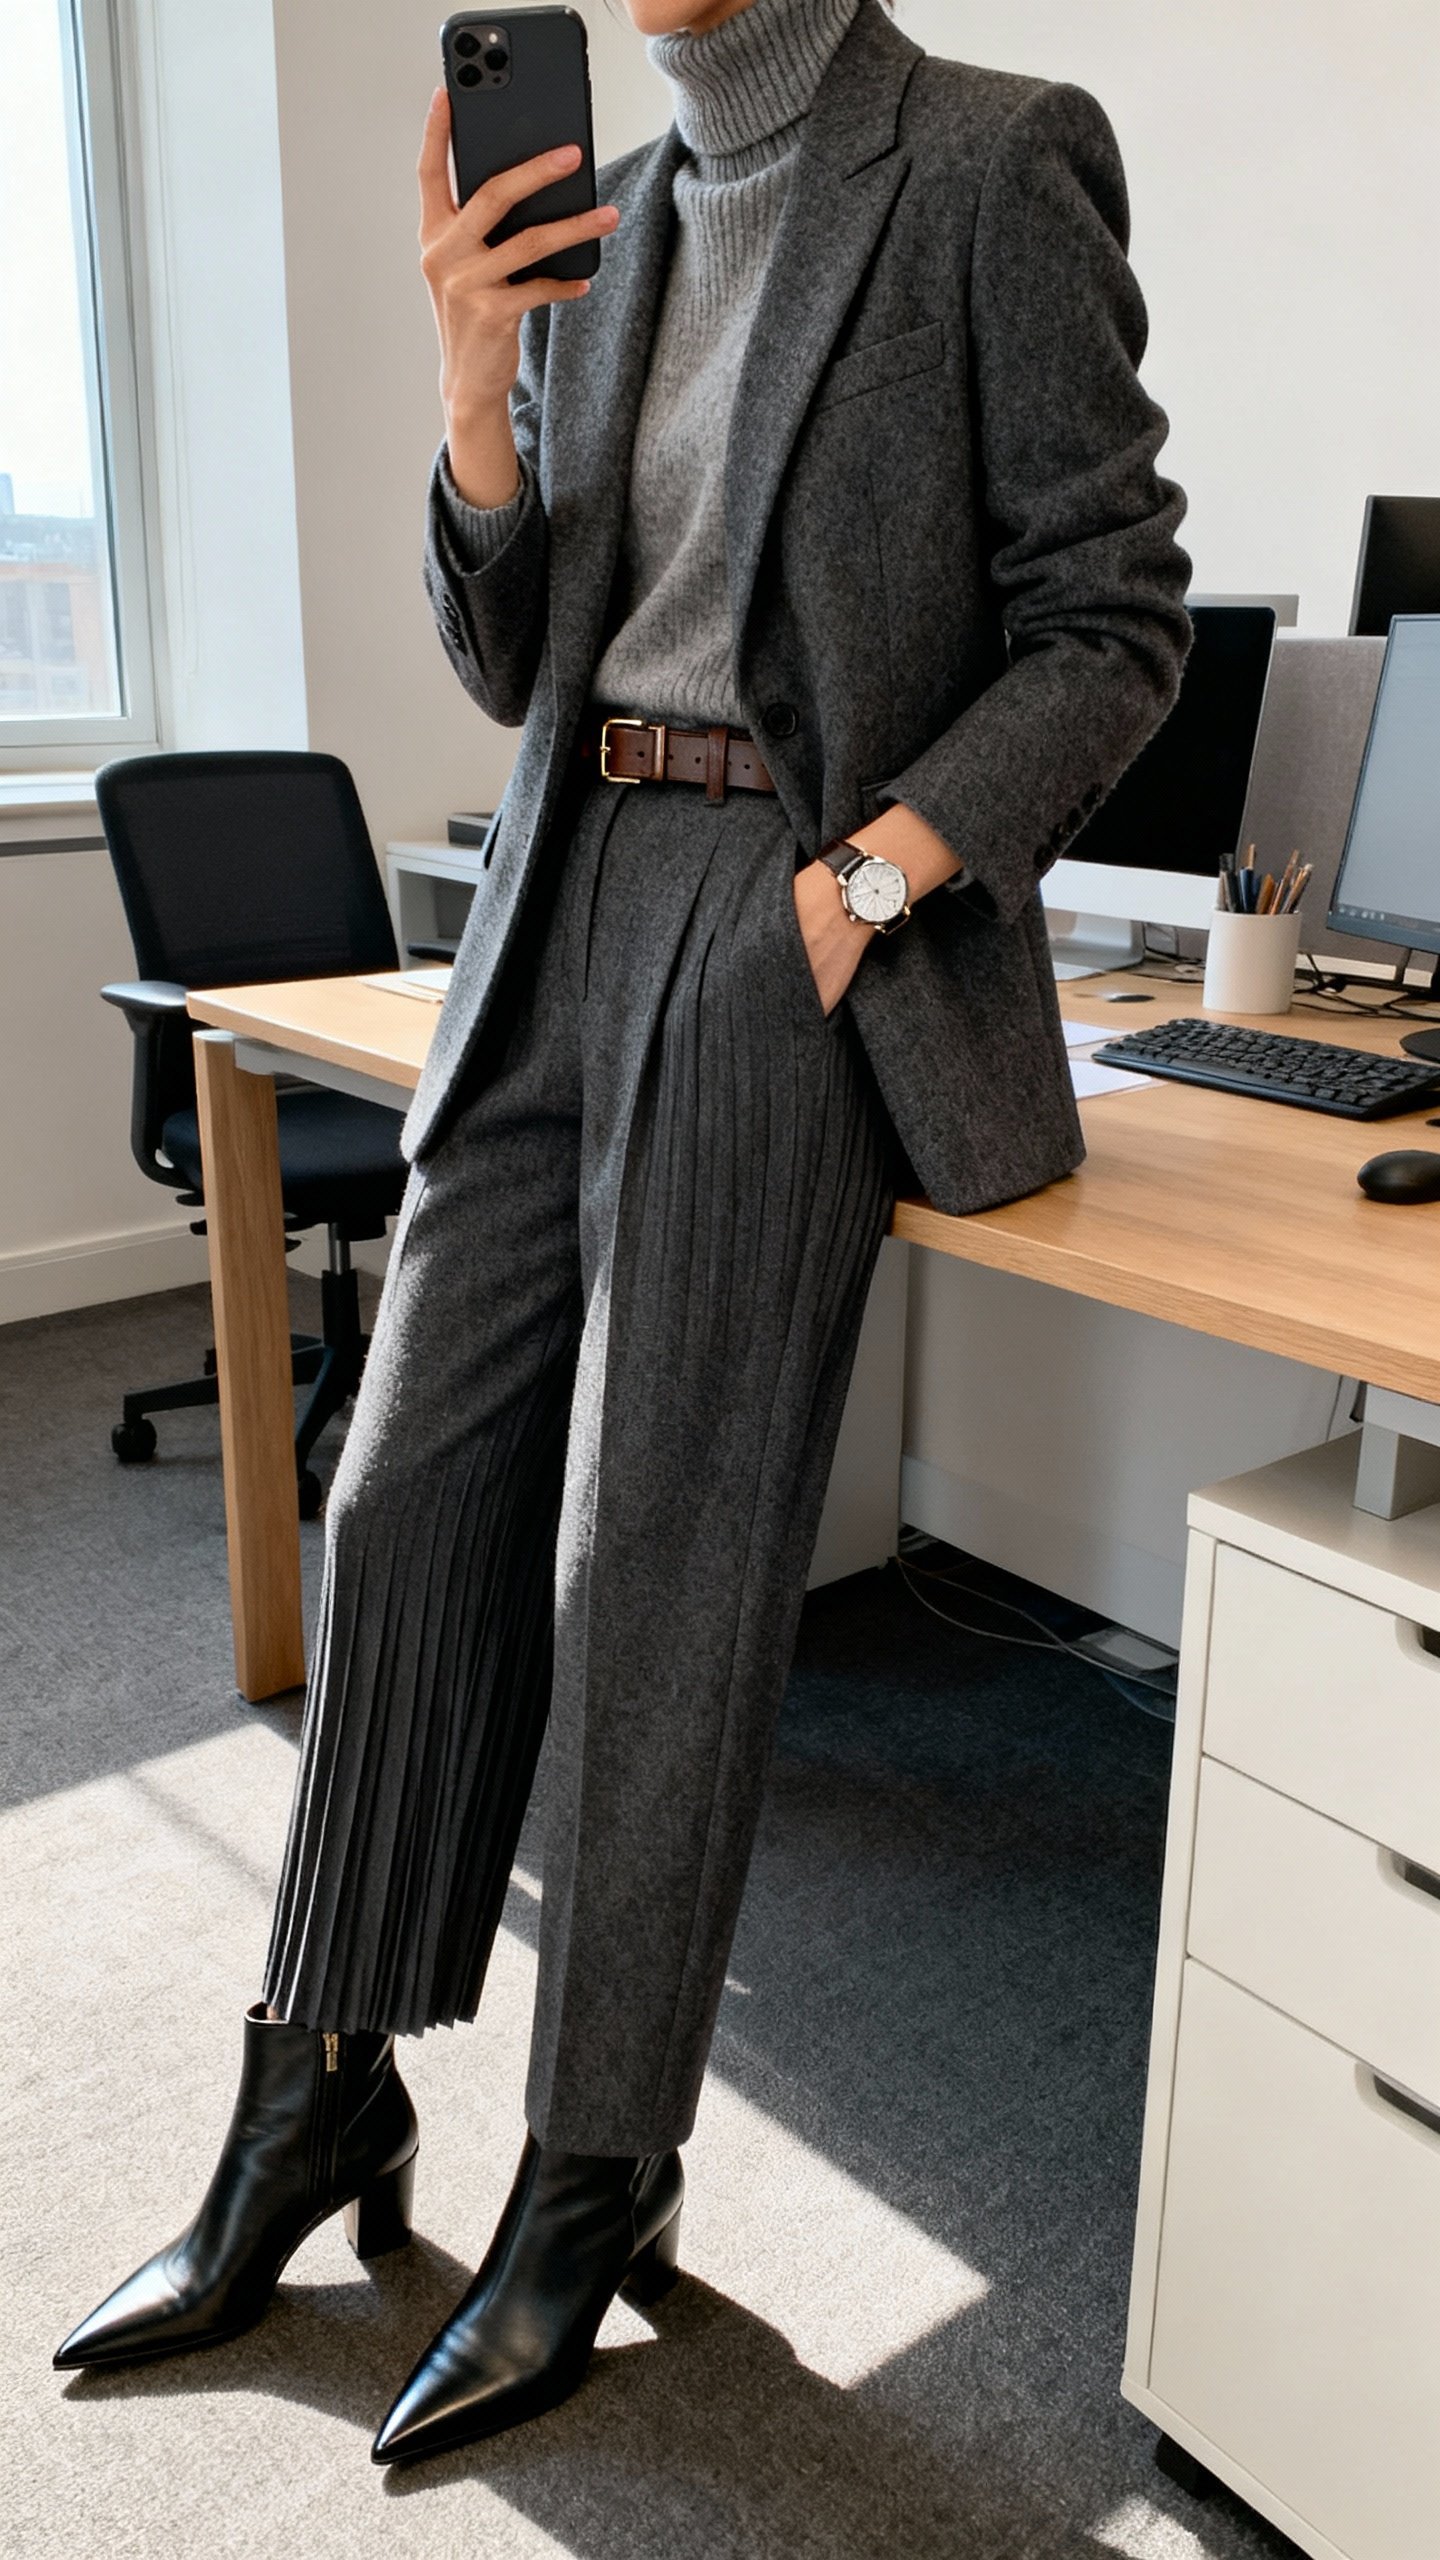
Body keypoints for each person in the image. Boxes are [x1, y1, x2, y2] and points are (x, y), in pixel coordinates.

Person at [57, 0, 1190, 2468]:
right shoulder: (612, 205)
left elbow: (1115, 615)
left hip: (783, 915)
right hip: (551, 893)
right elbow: (508, 655)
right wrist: (474, 394)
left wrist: (873, 880)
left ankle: (595, 2172)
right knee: (406, 1494)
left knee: (656, 1564)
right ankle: (316, 2087)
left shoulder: (988, 164)